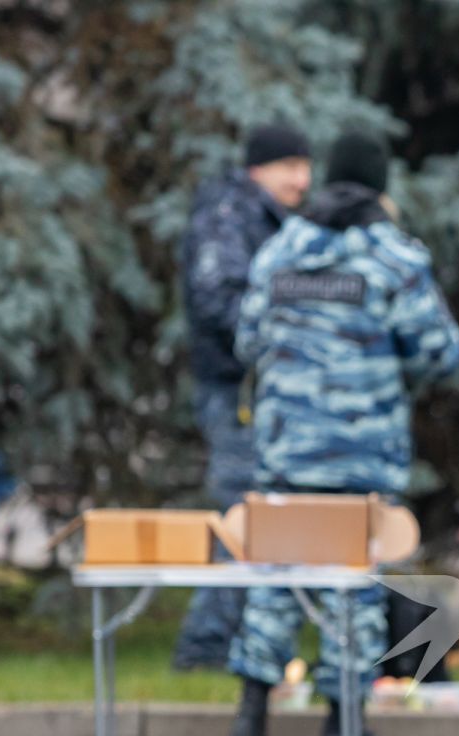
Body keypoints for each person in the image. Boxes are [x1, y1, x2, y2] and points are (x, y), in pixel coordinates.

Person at [226, 132, 459, 736]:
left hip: (286, 449)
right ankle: (343, 729)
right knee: (354, 582)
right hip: (361, 452)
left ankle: (250, 719)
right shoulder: (392, 255)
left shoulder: (283, 248)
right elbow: (442, 352)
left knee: (276, 571)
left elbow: (246, 341)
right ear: (380, 187)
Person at [174, 124, 314, 671]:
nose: (301, 180)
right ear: (259, 169)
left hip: (259, 388)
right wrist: (280, 335)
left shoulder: (269, 219)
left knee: (258, 514)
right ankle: (205, 648)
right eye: (289, 167)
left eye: (305, 167)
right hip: (238, 390)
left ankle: (234, 645)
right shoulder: (230, 216)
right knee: (244, 516)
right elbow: (219, 300)